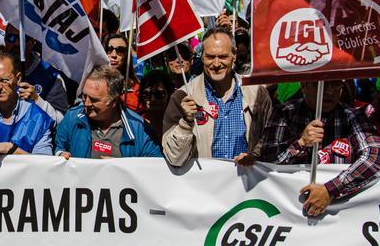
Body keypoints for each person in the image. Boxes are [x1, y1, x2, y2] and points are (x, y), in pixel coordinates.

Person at [258, 81, 380, 217]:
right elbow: (268, 165)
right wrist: (301, 143)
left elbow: (376, 157)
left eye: (336, 85)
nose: (329, 91)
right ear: (304, 86)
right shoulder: (283, 113)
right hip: (287, 213)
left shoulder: (353, 117)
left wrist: (330, 190)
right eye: (319, 85)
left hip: (337, 218)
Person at [162, 28, 271, 166]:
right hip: (204, 185)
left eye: (223, 56)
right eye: (210, 57)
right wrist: (186, 123)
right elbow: (174, 159)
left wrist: (255, 155)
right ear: (202, 57)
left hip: (245, 183)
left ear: (234, 55)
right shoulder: (183, 96)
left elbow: (269, 140)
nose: (217, 64)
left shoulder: (256, 93)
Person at [54, 65, 161, 159]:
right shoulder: (73, 117)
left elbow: (152, 166)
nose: (86, 103)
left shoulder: (140, 130)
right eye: (84, 96)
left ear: (114, 101)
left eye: (94, 100)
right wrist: (60, 154)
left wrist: (121, 168)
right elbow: (58, 146)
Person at [104, 35, 140, 111]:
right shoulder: (90, 83)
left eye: (120, 50)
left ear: (127, 56)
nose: (113, 55)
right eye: (109, 49)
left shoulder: (136, 89)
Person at [138, 70, 174, 145]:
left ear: (169, 94)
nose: (152, 99)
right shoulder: (135, 121)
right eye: (147, 94)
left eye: (159, 94)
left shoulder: (176, 121)